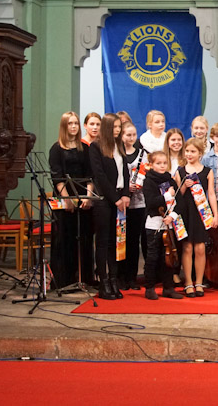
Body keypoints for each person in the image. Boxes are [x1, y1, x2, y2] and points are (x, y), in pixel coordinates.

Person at [48, 111, 95, 289]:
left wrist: (88, 197)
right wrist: (66, 199)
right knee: (64, 239)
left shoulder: (85, 148)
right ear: (64, 126)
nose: (74, 126)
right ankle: (63, 280)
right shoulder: (56, 149)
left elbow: (90, 175)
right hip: (64, 199)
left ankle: (84, 277)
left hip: (83, 199)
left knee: (84, 238)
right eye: (70, 123)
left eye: (76, 123)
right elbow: (57, 177)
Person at [88, 113, 130, 300]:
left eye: (119, 127)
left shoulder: (119, 145)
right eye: (115, 127)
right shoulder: (96, 147)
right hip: (104, 200)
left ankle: (114, 279)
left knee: (116, 241)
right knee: (103, 242)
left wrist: (126, 194)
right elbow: (100, 176)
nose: (118, 130)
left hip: (120, 198)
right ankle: (103, 281)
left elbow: (125, 172)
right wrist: (115, 199)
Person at [175, 138, 218, 298]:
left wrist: (215, 215)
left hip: (201, 212)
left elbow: (211, 194)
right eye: (187, 151)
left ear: (200, 153)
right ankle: (188, 282)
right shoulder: (180, 171)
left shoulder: (207, 171)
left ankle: (199, 282)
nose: (189, 154)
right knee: (187, 248)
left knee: (200, 248)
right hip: (185, 212)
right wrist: (184, 186)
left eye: (193, 151)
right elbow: (176, 197)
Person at [141, 151, 184, 300]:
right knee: (153, 257)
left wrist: (172, 216)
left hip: (169, 224)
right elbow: (151, 202)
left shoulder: (170, 180)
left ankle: (168, 287)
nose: (162, 166)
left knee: (168, 257)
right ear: (151, 165)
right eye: (158, 163)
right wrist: (167, 196)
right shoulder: (148, 181)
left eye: (164, 163)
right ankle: (149, 287)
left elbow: (180, 202)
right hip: (154, 224)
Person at [118, 122, 145, 291]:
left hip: (138, 203)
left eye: (134, 134)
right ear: (122, 136)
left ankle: (132, 277)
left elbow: (145, 173)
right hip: (121, 203)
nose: (131, 138)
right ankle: (120, 276)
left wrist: (138, 184)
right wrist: (125, 188)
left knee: (134, 242)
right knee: (121, 241)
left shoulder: (142, 154)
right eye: (128, 135)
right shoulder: (118, 153)